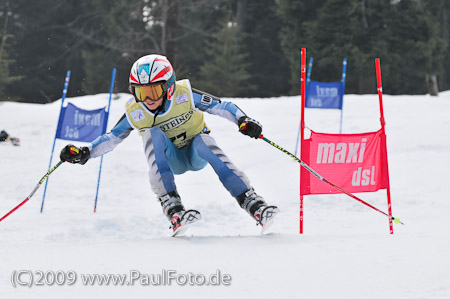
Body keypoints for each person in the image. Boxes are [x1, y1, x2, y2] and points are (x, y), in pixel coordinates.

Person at [60, 54, 278, 235]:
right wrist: (85, 152)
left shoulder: (185, 95)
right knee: (151, 133)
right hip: (169, 160)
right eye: (141, 92)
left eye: (154, 91)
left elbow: (222, 106)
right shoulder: (136, 110)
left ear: (170, 86)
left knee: (203, 140)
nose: (148, 99)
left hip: (196, 153)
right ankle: (172, 206)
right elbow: (112, 137)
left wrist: (243, 120)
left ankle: (251, 202)